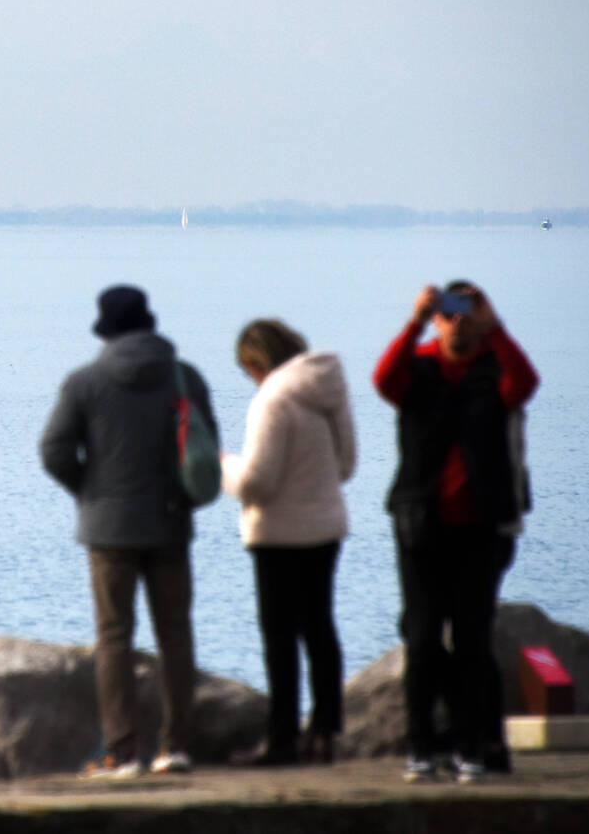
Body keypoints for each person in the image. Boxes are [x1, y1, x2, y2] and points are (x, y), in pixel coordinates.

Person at [40, 284, 216, 779]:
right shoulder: (185, 378)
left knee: (114, 637)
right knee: (175, 634)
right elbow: (205, 451)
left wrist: (89, 491)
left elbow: (54, 450)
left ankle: (121, 753)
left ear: (107, 330)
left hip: (109, 529)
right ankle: (176, 747)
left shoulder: (85, 382)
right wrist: (182, 499)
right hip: (170, 522)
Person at [374, 280, 538, 784]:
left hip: (481, 529)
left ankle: (471, 749)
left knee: (471, 642)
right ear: (437, 319)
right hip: (419, 526)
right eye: (449, 312)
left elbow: (524, 384)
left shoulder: (493, 368)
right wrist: (414, 322)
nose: (458, 321)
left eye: (468, 312)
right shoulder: (420, 367)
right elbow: (384, 381)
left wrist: (497, 328)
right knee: (422, 639)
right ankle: (421, 748)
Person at [220, 318, 356, 767]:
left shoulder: (272, 399)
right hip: (326, 528)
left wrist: (222, 465)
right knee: (320, 629)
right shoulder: (329, 390)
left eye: (248, 370)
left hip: (278, 535)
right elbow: (347, 465)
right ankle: (326, 733)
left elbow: (256, 482)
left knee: (280, 636)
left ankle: (282, 739)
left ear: (258, 363)